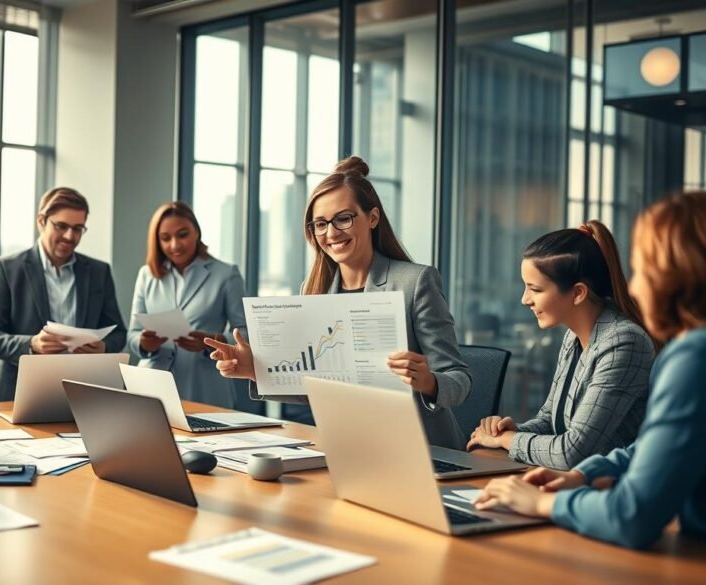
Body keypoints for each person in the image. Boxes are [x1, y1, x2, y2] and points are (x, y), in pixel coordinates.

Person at [475, 191, 706, 550]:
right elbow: (646, 446)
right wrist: (584, 474)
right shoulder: (688, 352)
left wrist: (542, 502)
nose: (636, 287)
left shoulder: (691, 357)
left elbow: (632, 516)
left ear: (682, 281)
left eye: (645, 271)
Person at [206, 156, 473, 449]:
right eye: (320, 224)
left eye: (343, 218)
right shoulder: (314, 290)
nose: (331, 233)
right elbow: (314, 386)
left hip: (421, 448)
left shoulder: (415, 281)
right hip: (348, 445)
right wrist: (255, 369)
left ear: (372, 218)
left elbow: (459, 380)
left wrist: (428, 382)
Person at [466, 221, 655, 469]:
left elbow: (573, 452)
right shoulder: (573, 337)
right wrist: (509, 431)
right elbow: (550, 419)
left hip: (609, 491)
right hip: (570, 482)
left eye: (535, 289)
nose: (525, 300)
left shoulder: (624, 343)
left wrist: (510, 440)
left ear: (578, 293)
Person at [0, 187, 127, 402]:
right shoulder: (6, 269)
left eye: (78, 229)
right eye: (61, 226)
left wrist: (104, 346)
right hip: (17, 391)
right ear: (41, 221)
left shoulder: (98, 272)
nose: (69, 236)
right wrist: (32, 344)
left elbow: (119, 332)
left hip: (82, 390)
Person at [126, 202, 247, 408]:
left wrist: (212, 341)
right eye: (165, 238)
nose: (175, 245)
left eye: (182, 234)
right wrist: (145, 343)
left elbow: (245, 333)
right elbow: (133, 335)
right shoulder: (147, 275)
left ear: (196, 233)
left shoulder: (226, 275)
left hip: (204, 386)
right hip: (152, 385)